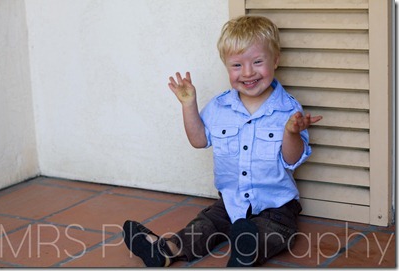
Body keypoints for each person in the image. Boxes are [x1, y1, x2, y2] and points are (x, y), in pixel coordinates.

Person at [122, 15, 322, 267]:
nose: (248, 72)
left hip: (276, 206)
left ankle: (247, 251)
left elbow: (292, 160)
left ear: (276, 60)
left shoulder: (287, 109)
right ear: (226, 67)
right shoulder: (219, 106)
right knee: (206, 224)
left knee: (272, 233)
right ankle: (166, 249)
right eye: (237, 65)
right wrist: (188, 105)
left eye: (257, 62)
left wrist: (291, 133)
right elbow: (198, 140)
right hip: (231, 201)